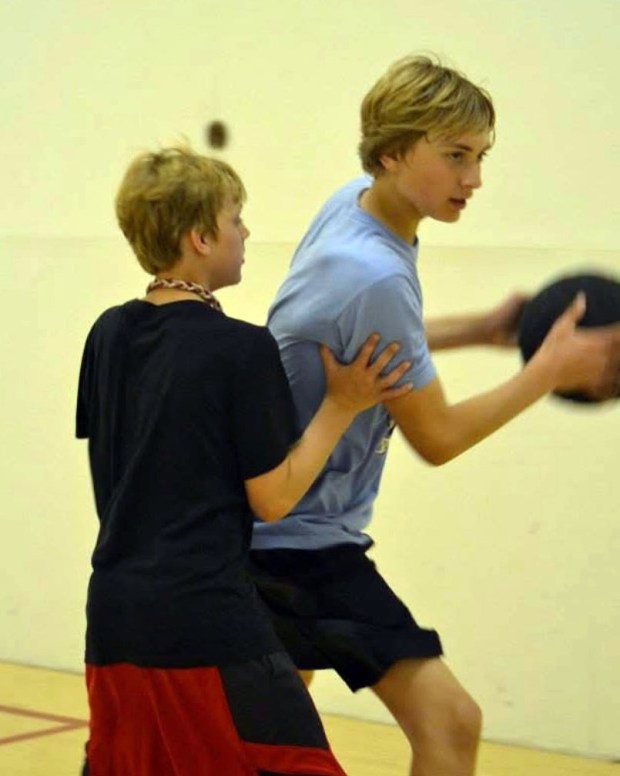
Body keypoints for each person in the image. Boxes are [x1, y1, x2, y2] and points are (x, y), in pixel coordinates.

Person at [249, 55, 620, 776]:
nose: (473, 180)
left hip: (266, 528)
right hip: (297, 546)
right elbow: (439, 438)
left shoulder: (355, 206)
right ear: (393, 152)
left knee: (271, 742)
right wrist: (549, 369)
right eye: (454, 156)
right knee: (452, 724)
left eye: (479, 157)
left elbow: (357, 343)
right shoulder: (379, 275)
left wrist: (478, 328)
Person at [75, 146, 413, 776]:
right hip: (205, 625)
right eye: (236, 218)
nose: (246, 231)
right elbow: (274, 498)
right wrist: (343, 403)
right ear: (199, 237)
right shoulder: (239, 348)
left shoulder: (107, 334)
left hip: (112, 623)